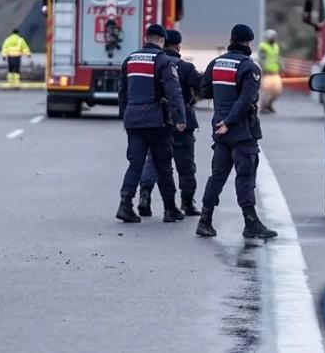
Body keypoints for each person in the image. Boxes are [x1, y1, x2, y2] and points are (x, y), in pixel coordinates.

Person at [196, 24, 278, 239]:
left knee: (218, 175)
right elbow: (246, 99)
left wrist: (222, 117)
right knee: (245, 175)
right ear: (248, 42)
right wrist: (230, 121)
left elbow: (204, 91)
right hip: (241, 130)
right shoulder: (248, 67)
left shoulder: (216, 63)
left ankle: (205, 220)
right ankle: (251, 223)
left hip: (219, 128)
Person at [115, 24, 187, 224]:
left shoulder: (130, 59)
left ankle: (125, 204)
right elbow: (174, 91)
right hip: (156, 121)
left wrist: (124, 115)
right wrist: (180, 118)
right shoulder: (163, 61)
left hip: (133, 120)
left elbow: (122, 91)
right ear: (162, 41)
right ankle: (170, 208)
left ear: (146, 38)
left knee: (135, 163)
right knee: (163, 165)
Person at [137, 29, 203, 217]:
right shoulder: (185, 68)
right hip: (183, 121)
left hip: (157, 119)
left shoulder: (154, 64)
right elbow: (203, 87)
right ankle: (187, 203)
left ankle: (145, 195)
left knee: (154, 161)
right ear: (178, 45)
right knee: (186, 164)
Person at [258, 29, 282, 113]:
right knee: (266, 92)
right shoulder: (263, 46)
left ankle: (269, 104)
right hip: (267, 73)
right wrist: (262, 70)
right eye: (272, 37)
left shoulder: (276, 46)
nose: (274, 38)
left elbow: (277, 58)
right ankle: (263, 107)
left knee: (277, 91)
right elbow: (261, 59)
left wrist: (281, 67)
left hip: (275, 73)